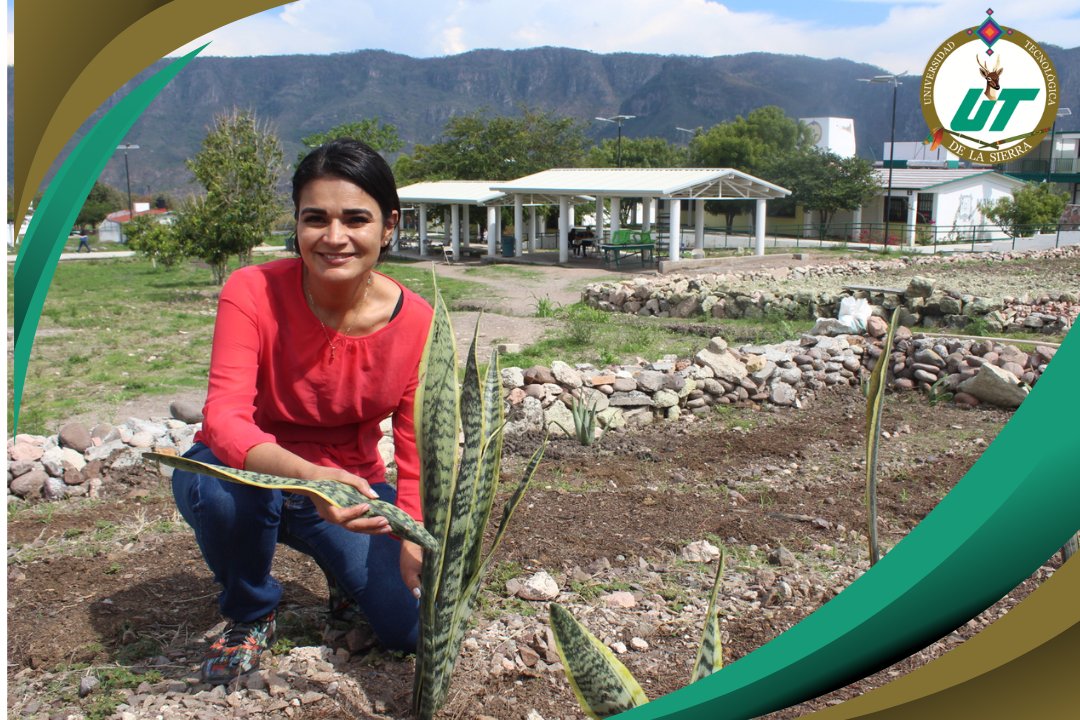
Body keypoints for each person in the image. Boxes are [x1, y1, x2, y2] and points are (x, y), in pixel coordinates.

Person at [171, 138, 433, 685]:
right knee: (220, 493)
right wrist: (313, 479)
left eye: (356, 219)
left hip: (350, 485)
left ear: (388, 227)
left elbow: (418, 447)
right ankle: (251, 611)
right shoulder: (252, 290)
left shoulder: (418, 323)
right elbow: (224, 420)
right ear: (296, 224)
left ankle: (345, 579)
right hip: (248, 471)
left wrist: (412, 534)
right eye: (316, 218)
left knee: (406, 630)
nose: (334, 237)